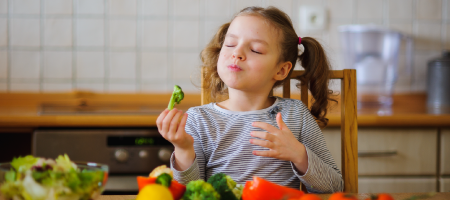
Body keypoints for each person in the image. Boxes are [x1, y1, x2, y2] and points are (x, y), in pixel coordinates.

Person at [156, 6, 343, 193]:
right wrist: (183, 149)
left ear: (281, 70)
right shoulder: (198, 120)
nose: (237, 53)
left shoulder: (296, 115)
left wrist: (299, 154)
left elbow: (334, 187)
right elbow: (189, 192)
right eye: (230, 44)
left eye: (256, 50)